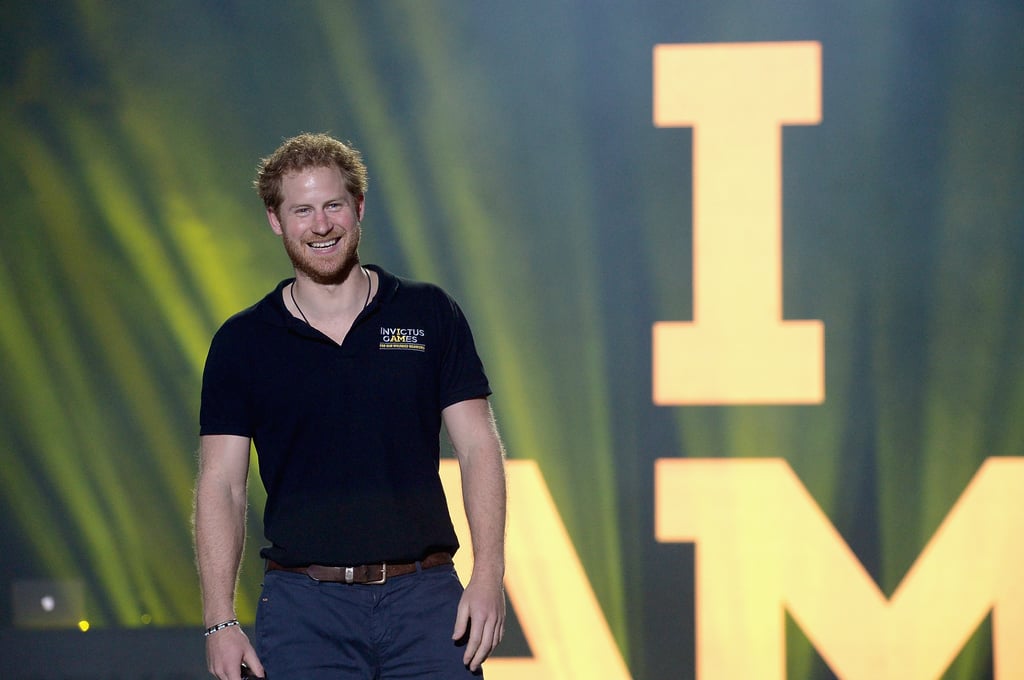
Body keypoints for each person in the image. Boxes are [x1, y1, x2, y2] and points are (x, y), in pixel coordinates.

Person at [193, 132, 507, 679]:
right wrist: (219, 621)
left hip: (427, 602)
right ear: (276, 219)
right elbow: (221, 483)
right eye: (302, 210)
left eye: (333, 205)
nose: (321, 225)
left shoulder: (428, 312)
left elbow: (479, 447)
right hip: (303, 611)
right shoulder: (243, 342)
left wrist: (489, 576)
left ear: (358, 208)